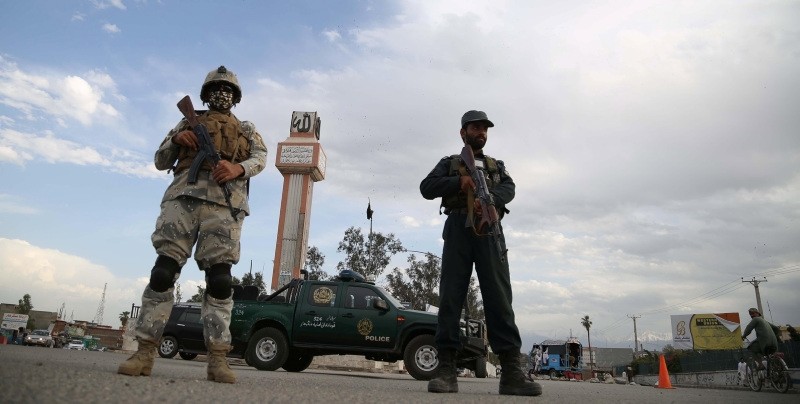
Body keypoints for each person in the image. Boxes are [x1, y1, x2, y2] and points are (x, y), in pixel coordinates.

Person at [117, 66, 268, 384]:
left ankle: (217, 358)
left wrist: (236, 168)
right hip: (182, 199)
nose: (221, 94)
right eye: (216, 88)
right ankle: (144, 351)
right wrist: (177, 139)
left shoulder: (247, 129)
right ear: (205, 94)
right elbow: (160, 160)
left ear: (236, 97)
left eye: (227, 89)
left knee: (221, 281)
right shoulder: (187, 120)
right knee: (163, 272)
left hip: (225, 207)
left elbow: (260, 159)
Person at [420, 110, 541, 396]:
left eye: (485, 129)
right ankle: (446, 369)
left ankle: (511, 370)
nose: (481, 133)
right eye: (476, 128)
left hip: (489, 230)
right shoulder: (449, 163)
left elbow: (510, 188)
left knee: (499, 298)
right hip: (459, 228)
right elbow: (426, 188)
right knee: (451, 296)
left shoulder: (495, 166)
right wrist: (457, 183)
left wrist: (492, 201)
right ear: (463, 132)